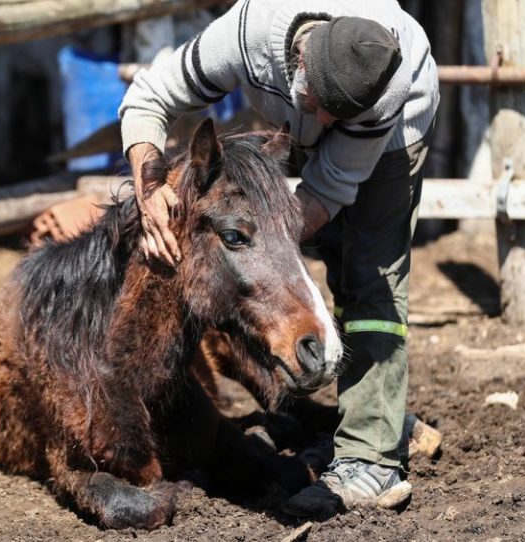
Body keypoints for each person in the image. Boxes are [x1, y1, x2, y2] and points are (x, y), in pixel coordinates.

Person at [119, 0, 439, 517]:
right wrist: (150, 189)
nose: (326, 124)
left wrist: (259, 254)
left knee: (367, 275)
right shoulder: (242, 37)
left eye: (337, 116)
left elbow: (330, 187)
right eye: (320, 107)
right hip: (291, 107)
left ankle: (370, 456)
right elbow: (148, 97)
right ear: (300, 62)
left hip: (394, 134)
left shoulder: (385, 93)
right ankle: (362, 414)